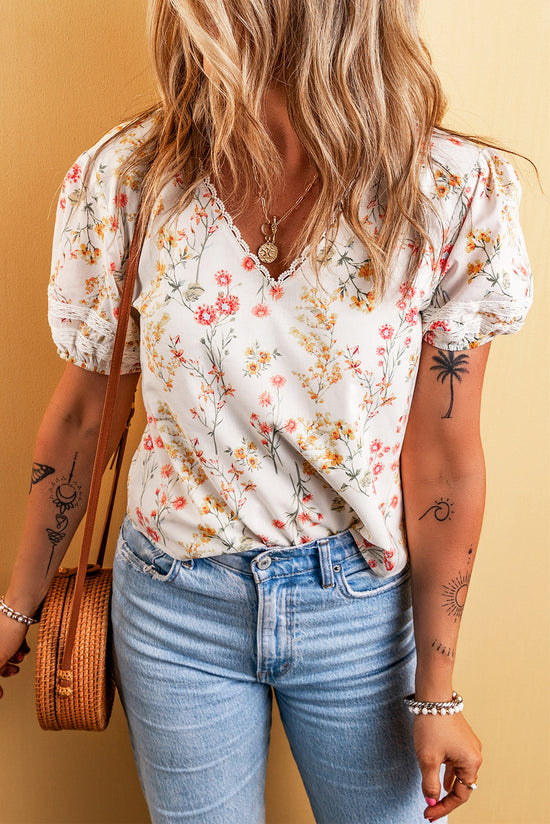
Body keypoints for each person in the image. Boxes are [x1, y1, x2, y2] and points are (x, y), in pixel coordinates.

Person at [0, 1, 533, 822]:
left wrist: (437, 693)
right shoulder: (128, 180)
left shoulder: (450, 195)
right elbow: (82, 414)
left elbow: (443, 456)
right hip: (173, 609)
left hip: (358, 611)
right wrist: (15, 606)